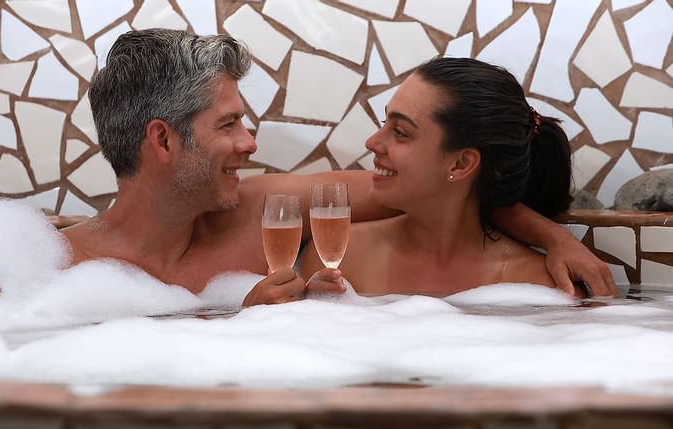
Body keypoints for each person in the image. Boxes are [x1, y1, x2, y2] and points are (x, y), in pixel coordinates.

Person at [61, 29, 616, 308]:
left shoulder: (273, 210)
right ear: (162, 139)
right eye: (228, 125)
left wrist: (556, 239)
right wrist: (238, 320)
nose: (250, 143)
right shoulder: (53, 269)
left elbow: (441, 192)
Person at [300, 57, 602, 297]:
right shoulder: (339, 259)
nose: (373, 143)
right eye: (384, 122)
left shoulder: (543, 288)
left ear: (460, 164)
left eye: (401, 132)